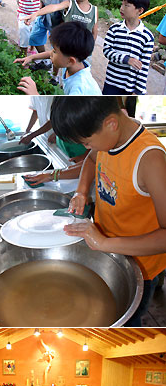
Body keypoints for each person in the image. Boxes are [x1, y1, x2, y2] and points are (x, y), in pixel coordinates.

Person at [49, 96, 166, 326]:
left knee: (128, 322)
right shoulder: (110, 138)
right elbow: (91, 160)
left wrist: (104, 243)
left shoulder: (150, 160)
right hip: (108, 249)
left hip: (140, 265)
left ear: (111, 123)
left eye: (87, 142)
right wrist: (82, 192)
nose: (86, 148)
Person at [18, 21, 101, 96]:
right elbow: (51, 54)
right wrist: (31, 57)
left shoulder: (79, 89)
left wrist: (35, 94)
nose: (51, 54)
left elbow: (67, 112)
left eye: (55, 51)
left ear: (70, 61)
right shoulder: (73, 63)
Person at [35, 0, 99, 67]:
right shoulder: (69, 4)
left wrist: (89, 49)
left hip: (83, 53)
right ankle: (55, 77)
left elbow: (94, 31)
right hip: (66, 49)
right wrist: (35, 14)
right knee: (65, 71)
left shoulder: (94, 11)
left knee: (80, 73)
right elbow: (54, 7)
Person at [102, 0, 154, 95]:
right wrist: (126, 59)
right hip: (111, 83)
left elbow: (143, 67)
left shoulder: (147, 36)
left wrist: (139, 91)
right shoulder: (115, 29)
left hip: (130, 87)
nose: (121, 8)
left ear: (140, 11)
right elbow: (106, 51)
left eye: (127, 6)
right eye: (122, 4)